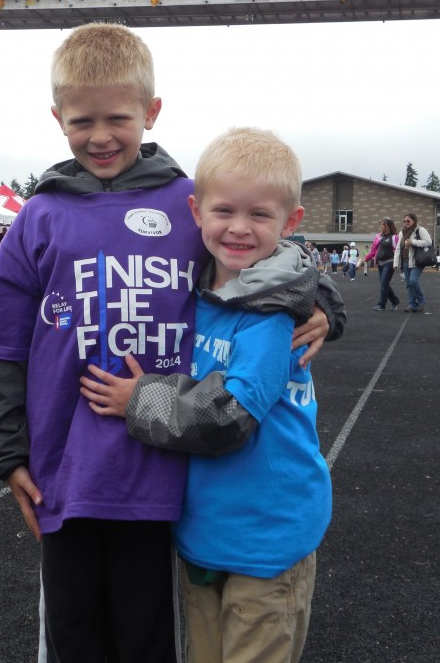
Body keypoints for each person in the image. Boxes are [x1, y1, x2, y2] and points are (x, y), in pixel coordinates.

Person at [0, 23, 346, 663]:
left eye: (118, 117)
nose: (100, 135)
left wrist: (324, 306)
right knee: (74, 636)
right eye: (81, 120)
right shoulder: (40, 216)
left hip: (162, 473)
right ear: (57, 117)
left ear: (152, 110)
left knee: (148, 639)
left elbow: (269, 254)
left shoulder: (192, 205)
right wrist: (8, 455)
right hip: (66, 469)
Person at [80, 128, 333, 663]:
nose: (239, 228)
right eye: (224, 211)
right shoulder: (199, 292)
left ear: (290, 223)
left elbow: (228, 419)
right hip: (208, 537)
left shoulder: (268, 318)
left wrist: (138, 399)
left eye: (259, 215)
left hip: (264, 543)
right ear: (195, 211)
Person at [393, 212, 432, 313]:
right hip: (405, 261)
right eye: (404, 221)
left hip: (417, 261)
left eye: (408, 221)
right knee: (409, 284)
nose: (406, 222)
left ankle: (421, 300)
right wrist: (396, 263)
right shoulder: (402, 232)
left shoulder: (420, 230)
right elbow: (398, 248)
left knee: (413, 281)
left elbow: (428, 242)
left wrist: (413, 242)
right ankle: (412, 304)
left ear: (414, 221)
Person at [365, 219, 400, 311]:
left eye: (383, 225)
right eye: (381, 225)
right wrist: (365, 259)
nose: (381, 227)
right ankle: (395, 300)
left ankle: (381, 305)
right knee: (384, 284)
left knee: (384, 283)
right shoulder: (378, 237)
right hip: (380, 263)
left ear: (388, 226)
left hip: (390, 262)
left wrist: (398, 264)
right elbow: (373, 251)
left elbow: (398, 251)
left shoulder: (395, 237)